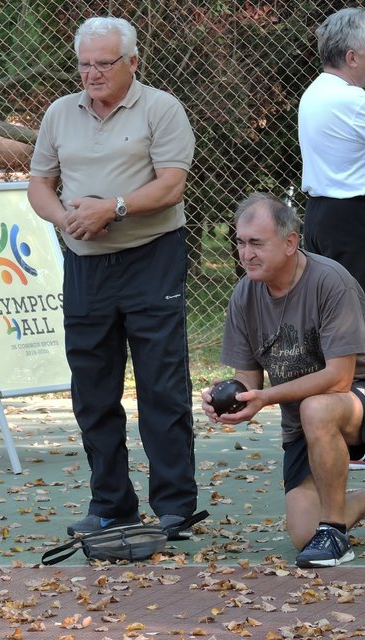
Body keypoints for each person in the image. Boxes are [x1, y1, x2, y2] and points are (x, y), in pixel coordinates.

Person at [28, 15, 205, 540]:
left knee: (162, 386)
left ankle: (175, 506)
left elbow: (171, 185)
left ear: (131, 62)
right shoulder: (60, 113)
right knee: (93, 391)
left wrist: (115, 208)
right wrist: (67, 220)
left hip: (152, 257)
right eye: (84, 64)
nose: (92, 74)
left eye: (104, 63)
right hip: (84, 266)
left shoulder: (161, 108)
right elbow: (39, 184)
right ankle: (111, 504)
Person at [202, 192, 365, 568]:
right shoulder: (244, 294)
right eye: (240, 243)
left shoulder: (330, 281)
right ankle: (329, 523)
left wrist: (267, 397)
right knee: (304, 533)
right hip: (305, 421)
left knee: (316, 407)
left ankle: (335, 533)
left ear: (291, 242)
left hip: (353, 398)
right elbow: (247, 375)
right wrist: (232, 397)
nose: (245, 254)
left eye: (257, 243)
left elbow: (340, 377)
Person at [298, 8, 365, 470]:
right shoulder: (349, 101)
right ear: (354, 56)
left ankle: (347, 434)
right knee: (354, 328)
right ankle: (356, 437)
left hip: (326, 214)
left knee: (340, 326)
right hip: (351, 217)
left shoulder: (318, 92)